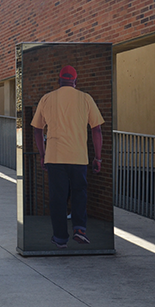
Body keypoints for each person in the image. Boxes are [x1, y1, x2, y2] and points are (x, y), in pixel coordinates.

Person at [31, 65, 104, 249]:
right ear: (75, 81)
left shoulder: (47, 98)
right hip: (79, 157)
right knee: (80, 194)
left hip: (54, 157)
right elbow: (97, 129)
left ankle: (60, 238)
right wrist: (98, 157)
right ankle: (80, 229)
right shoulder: (85, 98)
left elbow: (37, 129)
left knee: (58, 198)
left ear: (59, 80)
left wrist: (42, 154)